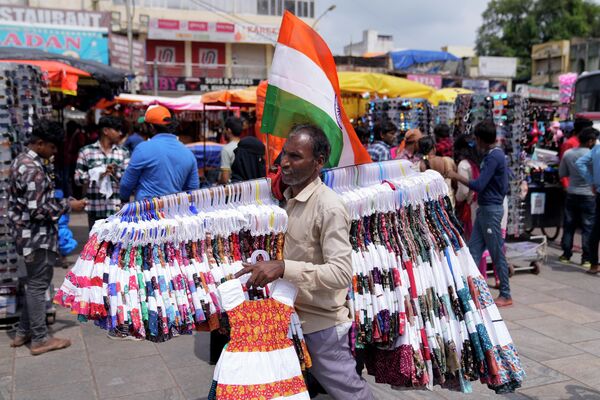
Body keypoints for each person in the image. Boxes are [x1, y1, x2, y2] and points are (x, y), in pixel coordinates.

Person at [235, 124, 374, 399]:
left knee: (351, 394)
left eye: (295, 156)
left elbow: (340, 273)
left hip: (320, 325)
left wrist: (283, 267)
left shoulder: (329, 206)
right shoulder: (286, 200)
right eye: (284, 154)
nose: (284, 162)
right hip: (287, 318)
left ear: (318, 162)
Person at [8, 120, 86, 355]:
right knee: (37, 285)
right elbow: (39, 210)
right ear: (40, 143)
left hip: (26, 235)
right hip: (36, 237)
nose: (54, 153)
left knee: (34, 283)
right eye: (52, 148)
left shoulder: (22, 161)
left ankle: (23, 332)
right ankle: (40, 339)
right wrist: (69, 205)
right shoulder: (33, 169)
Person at [448, 119, 512, 307]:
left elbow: (479, 184)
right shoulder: (495, 155)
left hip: (491, 210)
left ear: (480, 139)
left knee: (496, 252)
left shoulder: (494, 157)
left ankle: (506, 294)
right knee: (473, 251)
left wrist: (456, 176)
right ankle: (471, 290)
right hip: (485, 210)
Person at [120, 105, 199, 202]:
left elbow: (127, 184)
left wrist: (124, 199)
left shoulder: (143, 148)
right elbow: (193, 189)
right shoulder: (188, 153)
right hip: (175, 213)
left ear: (151, 127)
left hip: (147, 212)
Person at [74, 116, 130, 230]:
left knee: (116, 246)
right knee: (95, 246)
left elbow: (128, 180)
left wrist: (115, 173)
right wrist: (97, 173)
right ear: (106, 131)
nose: (120, 133)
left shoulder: (123, 152)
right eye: (117, 129)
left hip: (117, 210)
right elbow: (77, 179)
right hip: (95, 209)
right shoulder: (86, 151)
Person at [558, 127, 598, 268]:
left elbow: (562, 173)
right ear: (590, 141)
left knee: (569, 225)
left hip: (572, 192)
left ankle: (566, 254)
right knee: (588, 227)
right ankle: (586, 258)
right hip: (589, 195)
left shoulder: (568, 154)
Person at [576, 128, 600, 274]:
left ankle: (594, 264)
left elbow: (580, 163)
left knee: (595, 230)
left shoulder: (596, 150)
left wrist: (592, 181)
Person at [454, 134, 480, 240]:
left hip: (471, 205)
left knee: (472, 239)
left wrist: (457, 199)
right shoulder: (478, 162)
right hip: (481, 202)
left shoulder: (463, 165)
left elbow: (463, 192)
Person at [418, 136, 457, 204]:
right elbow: (454, 182)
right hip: (446, 199)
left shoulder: (420, 164)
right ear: (434, 148)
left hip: (430, 202)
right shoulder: (445, 160)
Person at [219, 117, 243, 184]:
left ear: (229, 130)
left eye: (225, 129)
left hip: (233, 189)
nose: (224, 132)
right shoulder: (246, 146)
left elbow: (225, 178)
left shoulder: (226, 149)